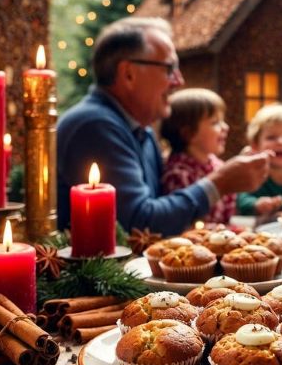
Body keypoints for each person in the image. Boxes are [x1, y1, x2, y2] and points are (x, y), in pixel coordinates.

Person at [57, 17, 270, 235]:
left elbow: (162, 206)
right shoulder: (94, 127)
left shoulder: (141, 130)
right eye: (169, 69)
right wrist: (219, 183)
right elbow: (139, 226)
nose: (179, 81)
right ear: (128, 74)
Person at [160, 88, 235, 224]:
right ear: (188, 133)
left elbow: (227, 215)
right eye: (215, 122)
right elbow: (183, 223)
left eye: (222, 121)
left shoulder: (218, 165)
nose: (225, 127)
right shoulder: (178, 174)